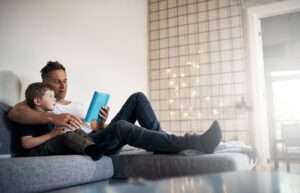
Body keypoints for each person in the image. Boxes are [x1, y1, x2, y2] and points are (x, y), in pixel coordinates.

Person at [8, 61, 222, 156]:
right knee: (121, 126)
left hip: (98, 134)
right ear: (44, 82)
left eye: (65, 80)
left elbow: (94, 126)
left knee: (137, 98)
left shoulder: (76, 104)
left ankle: (163, 141)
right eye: (56, 81)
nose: (62, 85)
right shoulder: (38, 105)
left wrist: (101, 121)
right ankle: (197, 142)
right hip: (86, 144)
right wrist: (55, 119)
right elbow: (14, 113)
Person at [20, 82, 106, 160]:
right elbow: (26, 143)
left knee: (77, 131)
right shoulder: (29, 119)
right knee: (67, 136)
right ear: (38, 101)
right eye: (50, 96)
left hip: (50, 147)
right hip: (36, 152)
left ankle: (94, 147)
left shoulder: (51, 116)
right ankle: (93, 150)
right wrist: (51, 135)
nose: (54, 99)